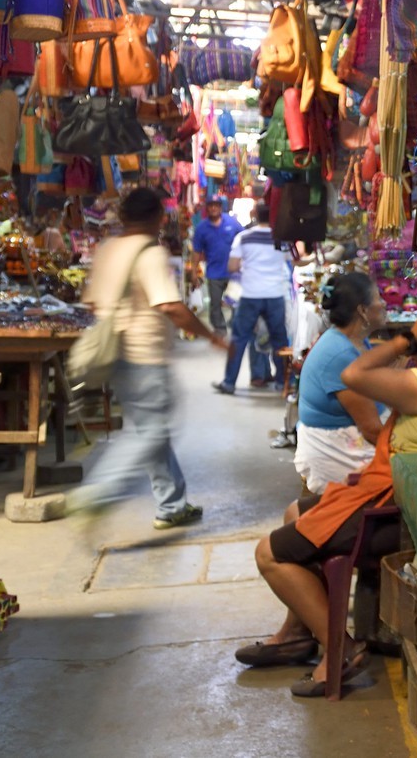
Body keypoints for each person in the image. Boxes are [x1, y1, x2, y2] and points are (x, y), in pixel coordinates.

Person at [238, 304, 417, 697]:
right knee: (295, 511)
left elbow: (354, 375)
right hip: (396, 508)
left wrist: (408, 339)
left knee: (268, 554)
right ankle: (296, 634)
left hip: (386, 517)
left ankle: (340, 650)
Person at [69, 187, 227, 529]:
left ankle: (172, 504)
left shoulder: (109, 249)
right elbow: (170, 307)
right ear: (158, 217)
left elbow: (94, 304)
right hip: (145, 356)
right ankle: (98, 493)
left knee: (150, 428)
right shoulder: (149, 253)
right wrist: (210, 334)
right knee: (151, 432)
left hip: (117, 357)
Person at [292, 273, 388, 493]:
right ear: (362, 311)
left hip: (343, 444)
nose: (383, 304)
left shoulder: (353, 341)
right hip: (337, 455)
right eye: (377, 298)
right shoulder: (340, 354)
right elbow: (372, 429)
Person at [213, 203, 292, 394]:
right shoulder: (280, 238)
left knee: (239, 338)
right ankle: (283, 383)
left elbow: (232, 267)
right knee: (279, 340)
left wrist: (248, 269)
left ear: (255, 214)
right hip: (275, 295)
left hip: (250, 295)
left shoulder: (244, 237)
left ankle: (229, 383)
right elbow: (290, 260)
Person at [191, 196, 241, 335]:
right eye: (211, 205)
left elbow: (244, 239)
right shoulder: (201, 228)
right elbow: (196, 251)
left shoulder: (232, 222)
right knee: (215, 303)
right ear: (207, 208)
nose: (213, 208)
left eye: (216, 205)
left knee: (237, 301)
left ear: (221, 207)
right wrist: (194, 271)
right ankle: (220, 328)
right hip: (214, 272)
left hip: (233, 272)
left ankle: (236, 324)